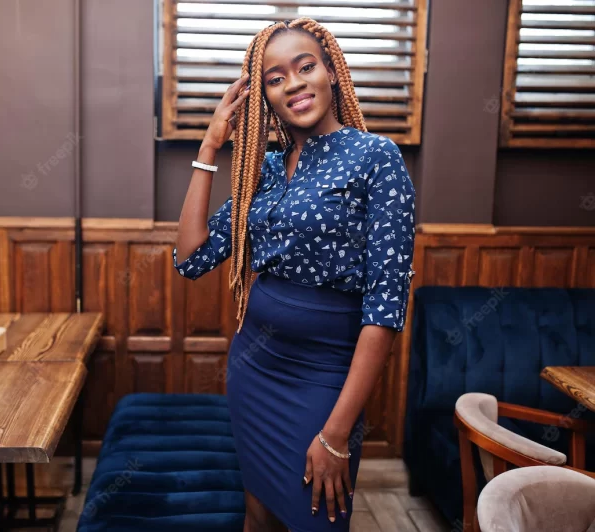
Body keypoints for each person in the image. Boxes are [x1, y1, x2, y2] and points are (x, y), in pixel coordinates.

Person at [172, 17, 417, 532]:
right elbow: (191, 257)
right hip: (255, 368)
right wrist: (209, 146)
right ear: (265, 95)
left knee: (317, 518)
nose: (295, 84)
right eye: (276, 77)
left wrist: (336, 433)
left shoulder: (376, 157)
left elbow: (386, 308)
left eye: (305, 67)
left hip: (325, 375)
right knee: (257, 512)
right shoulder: (263, 168)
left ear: (330, 70)